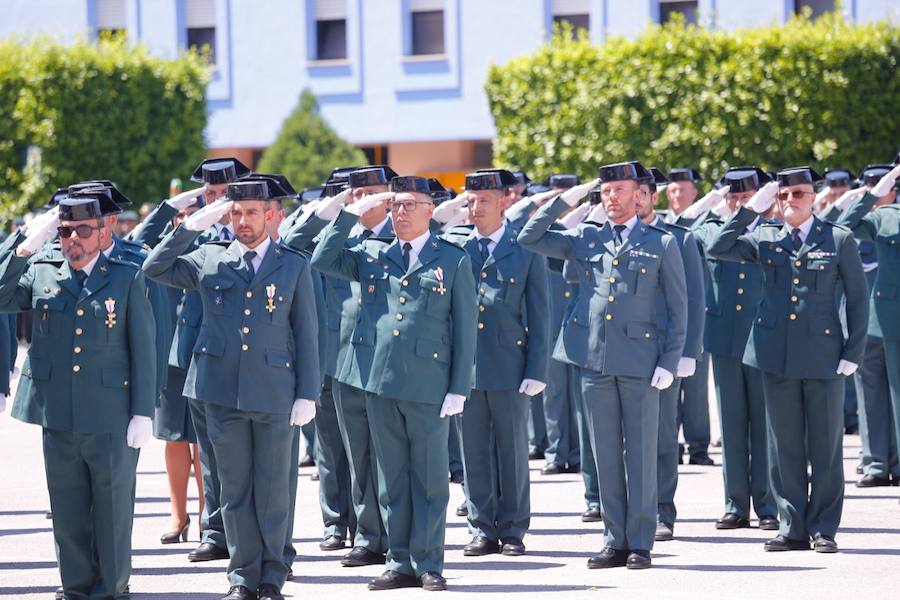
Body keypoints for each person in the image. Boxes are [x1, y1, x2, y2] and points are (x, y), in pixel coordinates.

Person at [143, 174, 320, 600]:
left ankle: (273, 574)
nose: (242, 221)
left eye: (251, 212)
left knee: (273, 490)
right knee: (233, 491)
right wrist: (194, 224)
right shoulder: (208, 257)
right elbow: (154, 266)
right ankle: (242, 577)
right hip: (220, 392)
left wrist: (307, 394)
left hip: (275, 391)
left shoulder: (294, 264)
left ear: (272, 215)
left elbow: (307, 333)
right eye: (236, 213)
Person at [311, 175, 477, 591]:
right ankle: (399, 560)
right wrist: (350, 213)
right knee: (391, 477)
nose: (400, 212)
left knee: (430, 478)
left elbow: (464, 329)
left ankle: (429, 562)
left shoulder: (452, 259)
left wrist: (459, 387)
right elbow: (321, 258)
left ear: (429, 210)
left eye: (409, 205)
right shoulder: (371, 253)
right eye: (395, 205)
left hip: (428, 384)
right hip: (379, 381)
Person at [519, 162, 687, 570]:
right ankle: (615, 539)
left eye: (619, 190)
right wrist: (568, 198)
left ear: (638, 195)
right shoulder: (585, 237)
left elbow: (679, 308)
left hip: (642, 361)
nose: (611, 197)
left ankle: (642, 541)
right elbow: (529, 236)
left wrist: (670, 359)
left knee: (642, 454)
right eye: (606, 190)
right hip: (594, 359)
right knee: (604, 453)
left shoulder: (661, 243)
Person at [0, 194, 156, 599]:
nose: (73, 239)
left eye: (82, 231)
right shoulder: (44, 272)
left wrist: (142, 412)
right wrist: (24, 249)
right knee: (67, 511)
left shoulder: (127, 275)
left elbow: (144, 348)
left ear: (103, 232)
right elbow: (2, 297)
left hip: (110, 415)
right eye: (66, 231)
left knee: (111, 510)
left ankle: (111, 588)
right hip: (58, 413)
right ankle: (76, 587)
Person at [708, 167, 869, 553]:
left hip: (824, 356)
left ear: (813, 196)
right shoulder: (764, 237)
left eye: (798, 194)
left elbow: (858, 300)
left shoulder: (837, 239)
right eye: (784, 196)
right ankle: (791, 526)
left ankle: (823, 527)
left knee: (825, 447)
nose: (791, 201)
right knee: (784, 447)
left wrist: (853, 352)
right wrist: (752, 209)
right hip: (775, 355)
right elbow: (718, 246)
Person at [285, 166, 397, 565]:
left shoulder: (402, 229)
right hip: (327, 355)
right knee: (331, 448)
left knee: (377, 452)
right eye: (354, 191)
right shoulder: (337, 233)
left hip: (377, 357)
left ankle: (386, 530)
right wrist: (334, 209)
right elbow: (291, 242)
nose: (360, 196)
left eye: (370, 189)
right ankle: (339, 524)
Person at [455, 169, 550, 558]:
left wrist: (536, 370)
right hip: (468, 367)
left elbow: (540, 314)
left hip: (510, 364)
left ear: (504, 201)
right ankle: (481, 527)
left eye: (483, 202)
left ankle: (512, 528)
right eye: (470, 202)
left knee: (512, 451)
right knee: (473, 451)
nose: (475, 209)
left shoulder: (524, 247)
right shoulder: (458, 247)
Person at [692, 167, 779, 531]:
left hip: (762, 337)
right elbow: (706, 240)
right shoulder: (713, 228)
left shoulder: (774, 231)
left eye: (747, 197)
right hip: (726, 336)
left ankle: (768, 502)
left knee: (764, 425)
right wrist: (739, 214)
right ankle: (735, 503)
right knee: (731, 424)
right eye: (734, 198)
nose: (740, 203)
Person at [632, 165, 706, 542]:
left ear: (653, 196)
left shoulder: (677, 237)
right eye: (634, 192)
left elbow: (693, 297)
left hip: (662, 349)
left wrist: (688, 352)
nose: (638, 198)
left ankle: (663, 511)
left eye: (644, 192)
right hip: (625, 349)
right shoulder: (613, 236)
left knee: (661, 437)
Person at [835, 164, 900, 488]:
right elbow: (842, 226)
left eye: (883, 183)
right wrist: (870, 196)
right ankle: (875, 462)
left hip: (894, 319)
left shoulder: (892, 216)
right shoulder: (876, 216)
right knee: (869, 394)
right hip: (869, 319)